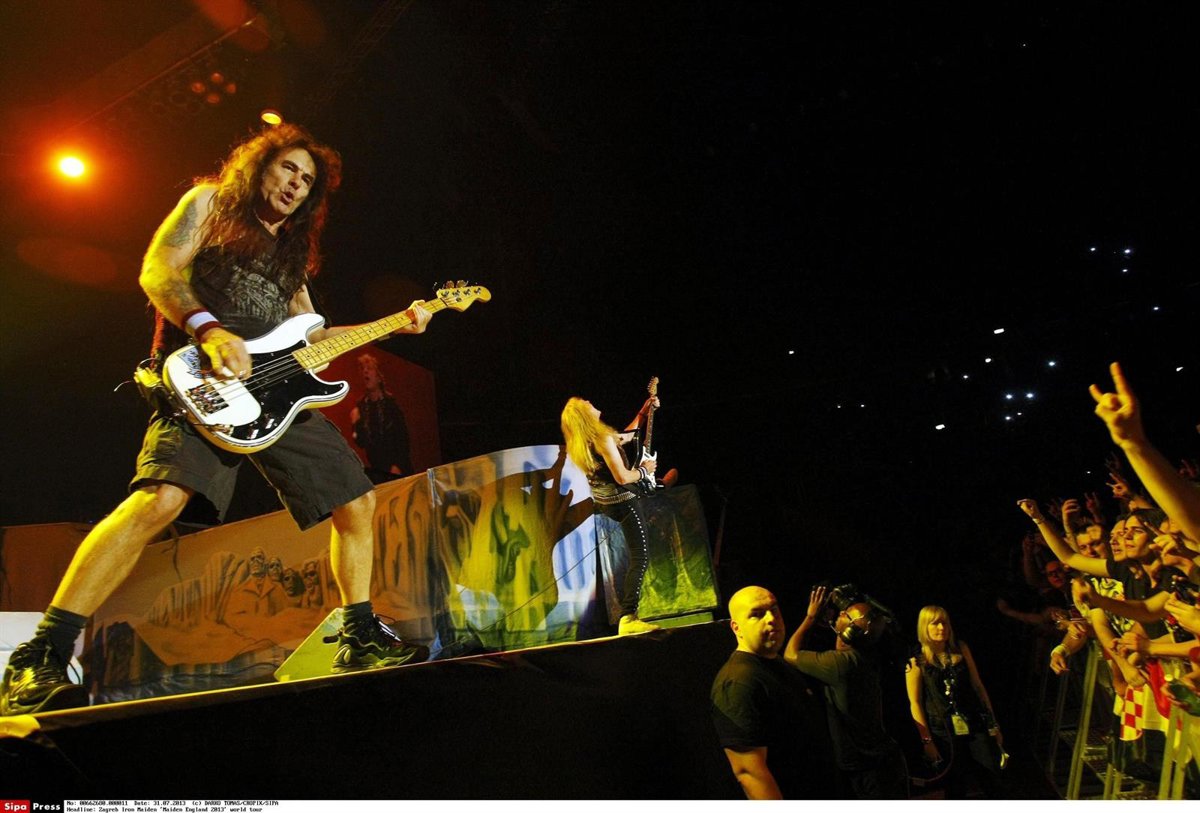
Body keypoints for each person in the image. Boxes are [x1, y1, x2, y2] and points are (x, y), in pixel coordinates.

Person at [1, 124, 431, 717]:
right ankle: (41, 654)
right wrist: (209, 329)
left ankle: (357, 639)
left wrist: (395, 323)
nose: (295, 184)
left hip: (275, 394)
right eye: (288, 168)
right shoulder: (210, 204)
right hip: (202, 378)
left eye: (307, 181)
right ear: (260, 166)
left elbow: (314, 337)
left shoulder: (292, 257)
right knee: (159, 501)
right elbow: (159, 270)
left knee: (357, 502)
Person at [783, 584, 908, 799]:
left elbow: (790, 654)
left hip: (869, 771)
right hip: (881, 763)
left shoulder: (841, 665)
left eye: (846, 614)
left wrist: (810, 617)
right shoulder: (865, 654)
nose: (840, 613)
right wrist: (832, 624)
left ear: (851, 632)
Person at [710, 586, 833, 799]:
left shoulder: (776, 663)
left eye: (774, 609)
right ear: (736, 628)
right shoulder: (738, 682)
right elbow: (749, 772)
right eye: (757, 614)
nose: (771, 619)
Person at [561, 394, 665, 634]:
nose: (590, 402)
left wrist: (644, 411)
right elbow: (622, 477)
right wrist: (644, 470)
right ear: (585, 415)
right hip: (624, 502)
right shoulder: (602, 440)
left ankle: (660, 484)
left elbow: (625, 437)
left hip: (607, 504)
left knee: (638, 554)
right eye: (586, 403)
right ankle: (628, 616)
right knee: (640, 557)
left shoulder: (584, 443)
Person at [906, 606, 1005, 798]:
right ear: (924, 627)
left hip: (973, 721)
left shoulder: (960, 648)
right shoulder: (917, 660)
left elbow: (978, 687)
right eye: (935, 623)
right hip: (943, 729)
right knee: (955, 784)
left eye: (944, 622)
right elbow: (915, 703)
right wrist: (927, 741)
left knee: (992, 776)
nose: (941, 627)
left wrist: (993, 724)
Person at [350, 351, 413, 482]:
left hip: (398, 469)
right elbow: (361, 442)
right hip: (378, 471)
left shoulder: (390, 404)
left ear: (379, 377)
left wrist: (397, 465)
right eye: (363, 369)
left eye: (369, 368)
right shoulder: (362, 407)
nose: (365, 372)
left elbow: (403, 439)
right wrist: (356, 424)